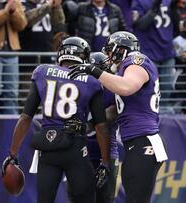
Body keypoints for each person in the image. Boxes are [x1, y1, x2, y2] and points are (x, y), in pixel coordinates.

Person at [1, 37, 111, 203]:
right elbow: (101, 127)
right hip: (75, 149)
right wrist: (106, 162)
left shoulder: (42, 71)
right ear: (84, 57)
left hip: (48, 148)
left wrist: (12, 154)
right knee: (86, 198)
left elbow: (25, 118)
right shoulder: (91, 81)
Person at [68, 31, 168, 203]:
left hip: (144, 141)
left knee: (136, 200)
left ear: (120, 49)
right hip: (135, 142)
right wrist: (87, 126)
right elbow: (113, 112)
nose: (107, 56)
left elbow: (127, 87)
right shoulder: (123, 71)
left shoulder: (136, 60)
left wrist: (93, 70)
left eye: (109, 51)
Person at [67, 52, 119, 203]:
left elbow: (109, 115)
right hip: (80, 154)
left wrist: (85, 125)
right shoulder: (78, 88)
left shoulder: (112, 91)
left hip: (106, 156)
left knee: (104, 199)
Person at [132, 0, 179, 114]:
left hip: (167, 52)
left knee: (168, 87)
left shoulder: (169, 1)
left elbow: (176, 25)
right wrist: (154, 9)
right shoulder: (138, 2)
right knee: (150, 88)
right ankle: (149, 113)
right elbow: (141, 25)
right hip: (149, 53)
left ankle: (166, 114)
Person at [0, 0, 27, 115]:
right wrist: (6, 12)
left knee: (12, 92)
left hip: (12, 54)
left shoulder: (14, 2)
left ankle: (11, 128)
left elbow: (22, 25)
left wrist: (13, 11)